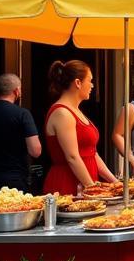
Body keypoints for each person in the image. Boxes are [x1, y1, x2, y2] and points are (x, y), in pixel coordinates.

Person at [43, 60, 119, 194]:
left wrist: (115, 183)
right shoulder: (62, 112)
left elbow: (92, 153)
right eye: (90, 80)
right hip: (67, 184)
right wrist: (91, 188)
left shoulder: (76, 111)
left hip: (85, 183)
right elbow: (72, 157)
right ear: (78, 83)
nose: (92, 85)